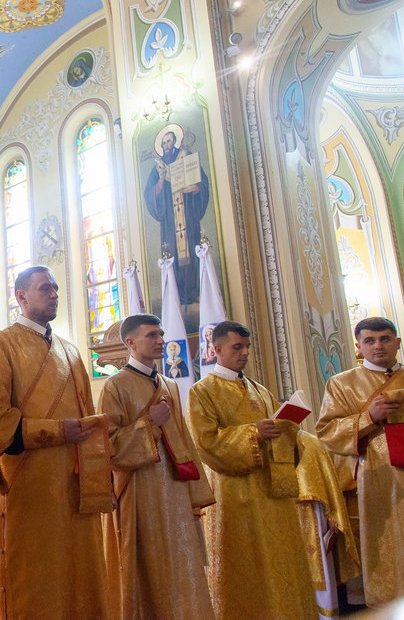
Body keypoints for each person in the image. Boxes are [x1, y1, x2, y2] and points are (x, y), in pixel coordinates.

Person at [0, 266, 114, 618]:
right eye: (44, 288)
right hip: (30, 483)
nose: (54, 294)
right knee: (35, 577)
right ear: (21, 296)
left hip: (75, 482)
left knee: (79, 573)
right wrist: (57, 431)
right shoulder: (1, 345)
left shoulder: (71, 351)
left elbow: (87, 414)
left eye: (55, 288)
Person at [186, 320, 316, 618]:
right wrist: (253, 433)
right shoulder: (202, 391)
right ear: (217, 349)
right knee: (247, 563)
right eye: (237, 347)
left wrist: (287, 429)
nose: (244, 353)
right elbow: (204, 443)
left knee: (282, 561)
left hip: (273, 490)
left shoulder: (260, 390)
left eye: (247, 347)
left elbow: (281, 436)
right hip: (236, 495)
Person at [98, 314, 214, 619]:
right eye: (152, 335)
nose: (161, 340)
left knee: (181, 564)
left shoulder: (169, 385)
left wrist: (193, 494)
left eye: (161, 334)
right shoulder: (115, 386)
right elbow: (108, 447)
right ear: (131, 342)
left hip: (175, 491)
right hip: (139, 491)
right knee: (147, 568)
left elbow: (183, 439)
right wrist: (149, 424)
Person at [316, 316, 404, 607]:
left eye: (384, 339)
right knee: (392, 547)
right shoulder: (341, 384)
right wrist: (369, 417)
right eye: (369, 340)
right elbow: (327, 432)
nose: (378, 346)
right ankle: (393, 606)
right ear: (359, 346)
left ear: (397, 342)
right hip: (378, 480)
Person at [142, 128, 209, 305]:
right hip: (170, 222)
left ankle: (195, 292)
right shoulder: (158, 168)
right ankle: (177, 295)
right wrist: (161, 179)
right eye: (163, 143)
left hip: (188, 216)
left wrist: (195, 188)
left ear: (175, 142)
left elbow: (203, 183)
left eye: (169, 141)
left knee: (193, 250)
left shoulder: (186, 158)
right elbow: (150, 195)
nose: (166, 146)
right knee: (172, 254)